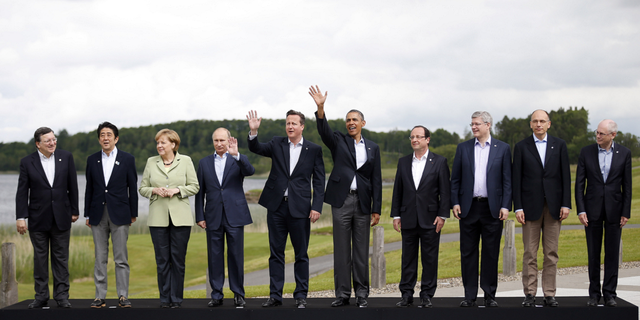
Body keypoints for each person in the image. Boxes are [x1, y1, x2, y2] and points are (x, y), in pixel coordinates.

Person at [309, 85, 382, 308]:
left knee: (361, 251)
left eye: (354, 120)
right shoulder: (339, 141)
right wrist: (321, 109)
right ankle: (342, 294)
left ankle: (362, 294)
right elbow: (324, 132)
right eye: (348, 120)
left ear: (363, 123)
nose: (350, 123)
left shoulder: (373, 147)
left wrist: (376, 208)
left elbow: (376, 179)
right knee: (341, 251)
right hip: (341, 202)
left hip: (362, 203)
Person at [246, 109, 325, 309]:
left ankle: (300, 296)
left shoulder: (314, 150)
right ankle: (275, 296)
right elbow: (256, 148)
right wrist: (253, 132)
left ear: (302, 126)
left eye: (293, 123)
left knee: (301, 254)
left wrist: (316, 206)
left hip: (300, 208)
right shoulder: (276, 143)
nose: (290, 126)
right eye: (287, 123)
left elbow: (319, 181)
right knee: (276, 253)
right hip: (276, 207)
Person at [450, 111, 511, 308]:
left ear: (488, 125)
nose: (474, 127)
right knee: (468, 253)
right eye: (472, 124)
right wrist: (455, 202)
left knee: (490, 252)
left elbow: (507, 181)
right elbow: (456, 179)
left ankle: (489, 295)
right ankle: (469, 296)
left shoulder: (502, 148)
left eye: (477, 124)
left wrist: (505, 205)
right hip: (468, 208)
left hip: (492, 209)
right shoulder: (463, 148)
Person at [15, 127, 79, 309]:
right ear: (38, 144)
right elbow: (22, 192)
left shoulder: (66, 157)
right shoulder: (27, 162)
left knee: (61, 259)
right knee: (40, 259)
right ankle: (41, 296)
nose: (52, 143)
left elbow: (72, 186)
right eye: (47, 141)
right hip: (37, 218)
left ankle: (62, 296)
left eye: (54, 139)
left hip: (62, 216)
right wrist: (21, 217)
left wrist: (74, 210)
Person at [512, 110, 571, 307]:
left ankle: (549, 293)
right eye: (535, 121)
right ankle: (529, 293)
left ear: (549, 124)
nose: (539, 124)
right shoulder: (521, 147)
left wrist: (566, 203)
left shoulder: (559, 145)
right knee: (529, 252)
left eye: (542, 121)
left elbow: (565, 176)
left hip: (554, 207)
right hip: (529, 207)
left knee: (551, 252)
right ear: (530, 124)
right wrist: (518, 206)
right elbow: (516, 180)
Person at [139, 129, 199, 308]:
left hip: (181, 218)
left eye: (163, 142)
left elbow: (194, 186)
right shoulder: (151, 162)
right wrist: (154, 190)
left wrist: (177, 190)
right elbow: (142, 188)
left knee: (178, 260)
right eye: (157, 143)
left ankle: (177, 299)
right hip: (157, 219)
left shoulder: (186, 161)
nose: (159, 146)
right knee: (162, 260)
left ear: (173, 144)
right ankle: (165, 299)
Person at [391, 125, 450, 308]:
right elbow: (397, 191)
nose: (414, 140)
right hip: (408, 217)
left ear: (427, 139)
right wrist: (395, 215)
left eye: (418, 136)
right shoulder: (403, 162)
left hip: (431, 219)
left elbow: (445, 192)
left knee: (429, 259)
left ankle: (426, 294)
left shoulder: (439, 162)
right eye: (412, 137)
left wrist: (442, 215)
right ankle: (406, 294)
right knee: (407, 259)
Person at [196, 128, 255, 308]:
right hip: (213, 216)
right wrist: (200, 216)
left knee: (236, 256)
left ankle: (238, 294)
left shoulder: (237, 159)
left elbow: (250, 171)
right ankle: (216, 294)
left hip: (235, 215)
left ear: (229, 140)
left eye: (222, 140)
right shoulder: (204, 163)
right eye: (216, 140)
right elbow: (200, 193)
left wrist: (237, 155)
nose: (219, 144)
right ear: (213, 142)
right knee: (214, 257)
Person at [575, 119, 631, 307]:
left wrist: (626, 211)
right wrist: (581, 209)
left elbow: (628, 185)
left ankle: (609, 294)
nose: (598, 136)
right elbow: (579, 184)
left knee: (612, 253)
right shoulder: (586, 152)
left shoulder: (624, 153)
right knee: (593, 253)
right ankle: (593, 294)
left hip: (615, 210)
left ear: (613, 135)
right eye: (597, 132)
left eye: (602, 134)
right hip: (591, 210)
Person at [84, 122, 138, 308]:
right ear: (99, 139)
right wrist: (87, 214)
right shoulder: (92, 160)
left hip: (121, 213)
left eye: (109, 135)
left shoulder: (127, 159)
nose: (105, 138)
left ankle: (123, 295)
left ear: (116, 138)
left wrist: (133, 213)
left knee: (121, 257)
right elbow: (89, 188)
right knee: (100, 257)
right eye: (102, 135)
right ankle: (100, 296)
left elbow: (132, 187)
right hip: (97, 214)